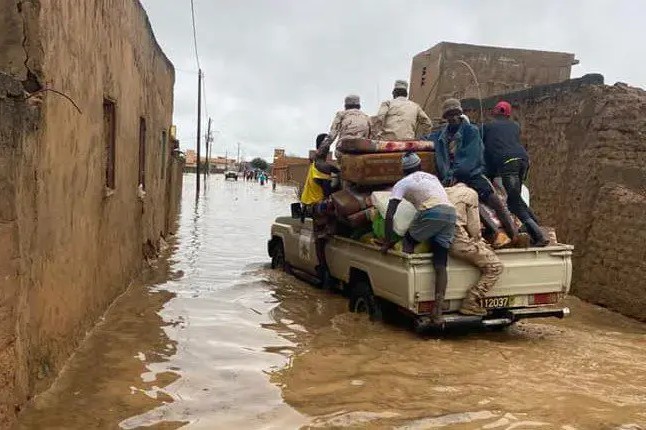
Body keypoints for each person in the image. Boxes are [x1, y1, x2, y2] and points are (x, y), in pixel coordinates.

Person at [380, 152, 456, 323]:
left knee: (408, 240)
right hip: (450, 214)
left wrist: (387, 242)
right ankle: (437, 310)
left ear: (403, 170)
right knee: (440, 262)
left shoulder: (402, 183)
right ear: (420, 166)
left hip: (432, 212)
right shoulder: (432, 178)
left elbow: (390, 214)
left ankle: (409, 296)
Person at [431, 98, 517, 248]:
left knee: (492, 198)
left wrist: (454, 174)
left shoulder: (471, 131)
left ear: (460, 114)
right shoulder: (441, 137)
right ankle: (496, 232)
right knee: (470, 200)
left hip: (471, 173)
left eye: (455, 114)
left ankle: (513, 233)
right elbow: (425, 140)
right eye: (449, 115)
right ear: (445, 117)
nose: (453, 118)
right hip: (450, 178)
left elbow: (470, 158)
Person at [483, 101, 549, 246]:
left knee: (513, 204)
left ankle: (539, 236)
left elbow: (487, 152)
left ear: (495, 112)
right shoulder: (515, 126)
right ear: (508, 114)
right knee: (516, 199)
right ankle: (536, 226)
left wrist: (489, 174)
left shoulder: (487, 127)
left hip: (508, 163)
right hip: (523, 160)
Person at [446, 183, 503, 316]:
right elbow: (474, 228)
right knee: (495, 267)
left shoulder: (445, 192)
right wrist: (480, 241)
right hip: (459, 243)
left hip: (442, 241)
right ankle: (470, 302)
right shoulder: (470, 194)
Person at [300, 133, 340, 283]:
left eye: (328, 144)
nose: (327, 146)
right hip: (318, 206)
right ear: (320, 147)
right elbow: (327, 190)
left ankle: (323, 268)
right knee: (321, 239)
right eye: (326, 144)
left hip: (311, 205)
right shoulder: (321, 165)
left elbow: (334, 169)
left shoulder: (317, 164)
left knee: (321, 238)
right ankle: (323, 268)